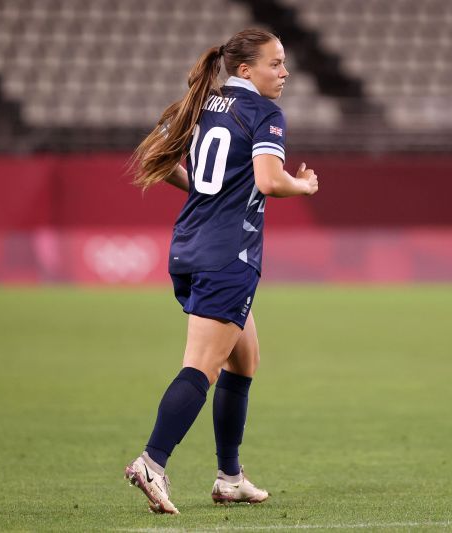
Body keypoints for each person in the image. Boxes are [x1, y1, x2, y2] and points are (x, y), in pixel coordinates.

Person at [123, 28, 318, 514]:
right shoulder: (263, 113)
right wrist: (305, 185)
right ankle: (152, 462)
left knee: (244, 360)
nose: (285, 72)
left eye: (284, 62)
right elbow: (270, 181)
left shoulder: (201, 102)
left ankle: (230, 477)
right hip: (228, 257)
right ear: (246, 69)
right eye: (275, 63)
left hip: (189, 248)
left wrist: (202, 192)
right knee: (200, 367)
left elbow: (153, 156)